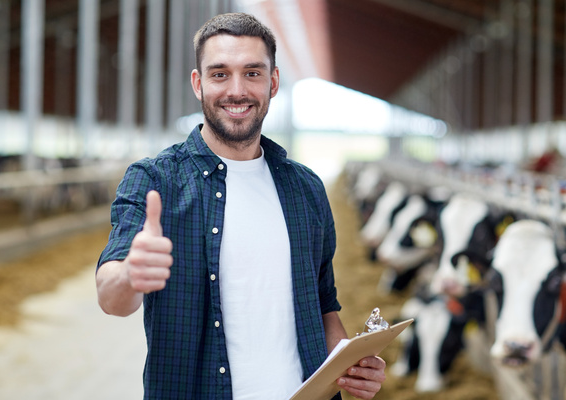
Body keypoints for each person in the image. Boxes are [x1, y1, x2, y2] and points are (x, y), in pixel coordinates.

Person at [96, 12, 386, 400]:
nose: (237, 90)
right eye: (219, 74)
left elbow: (322, 306)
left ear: (274, 82)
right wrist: (131, 272)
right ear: (198, 84)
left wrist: (350, 365)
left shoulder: (306, 188)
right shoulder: (155, 180)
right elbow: (111, 297)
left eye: (252, 73)